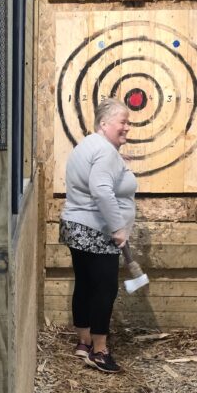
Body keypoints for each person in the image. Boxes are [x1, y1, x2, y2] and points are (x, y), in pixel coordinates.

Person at [59, 98, 138, 374]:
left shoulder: (89, 144)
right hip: (96, 230)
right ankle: (100, 351)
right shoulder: (105, 151)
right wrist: (118, 228)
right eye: (122, 122)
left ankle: (84, 342)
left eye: (128, 122)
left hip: (76, 226)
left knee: (85, 284)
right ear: (104, 124)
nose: (127, 127)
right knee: (105, 289)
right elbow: (101, 190)